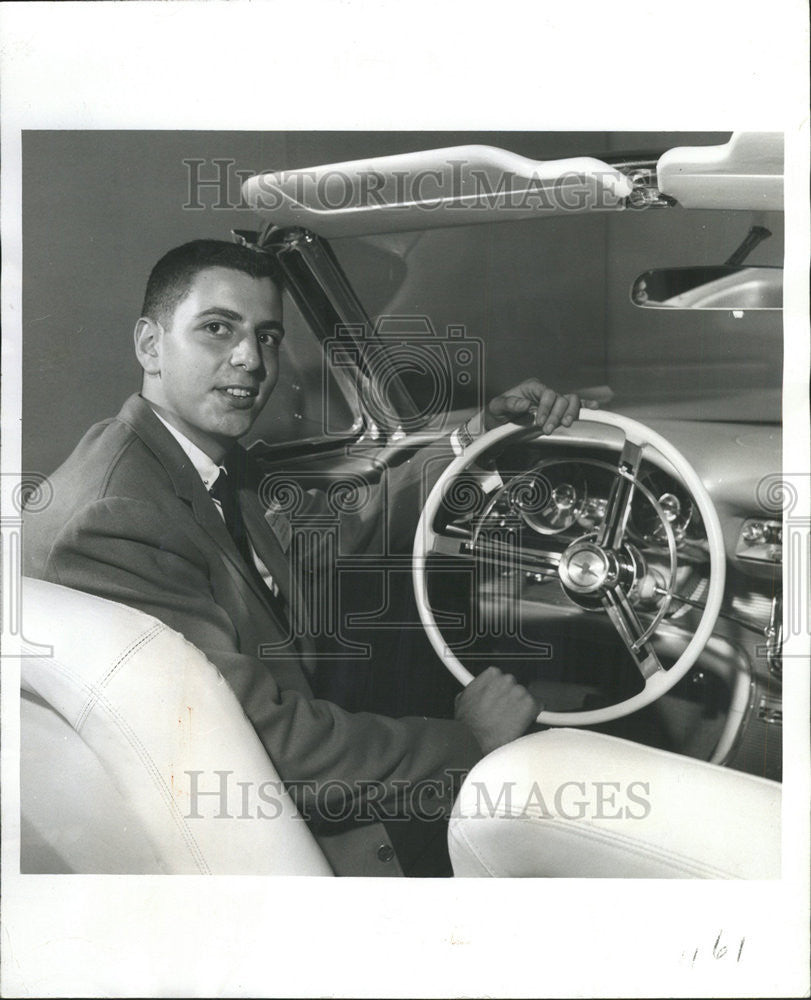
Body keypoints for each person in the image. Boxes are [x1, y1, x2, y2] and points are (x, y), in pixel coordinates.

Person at [24, 240, 582, 875]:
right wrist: (470, 739)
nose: (250, 360)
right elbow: (266, 749)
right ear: (149, 345)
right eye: (217, 329)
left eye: (266, 337)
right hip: (260, 845)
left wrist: (476, 436)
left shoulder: (197, 465)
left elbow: (334, 533)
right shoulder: (118, 519)